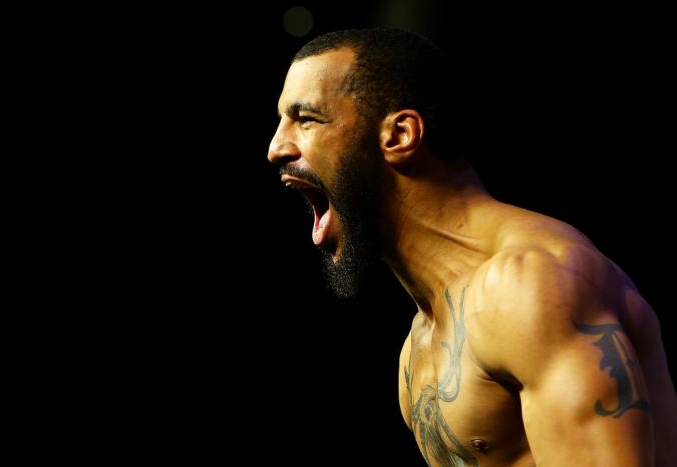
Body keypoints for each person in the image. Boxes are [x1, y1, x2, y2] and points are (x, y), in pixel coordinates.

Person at [266, 27, 676, 466]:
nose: (275, 147)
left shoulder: (534, 285)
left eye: (306, 118)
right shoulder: (418, 347)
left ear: (400, 135)